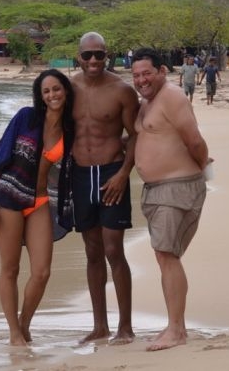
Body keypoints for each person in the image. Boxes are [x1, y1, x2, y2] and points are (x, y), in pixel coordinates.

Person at [0, 69, 75, 346]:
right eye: (46, 91)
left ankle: (24, 324)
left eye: (56, 89)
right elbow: (2, 152)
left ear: (65, 91)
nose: (52, 95)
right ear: (40, 95)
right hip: (9, 196)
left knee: (42, 272)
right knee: (10, 269)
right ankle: (14, 333)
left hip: (41, 201)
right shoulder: (25, 117)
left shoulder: (70, 130)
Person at [130, 48, 210, 352]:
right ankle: (175, 325)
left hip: (176, 187)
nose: (141, 80)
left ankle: (176, 330)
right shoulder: (147, 103)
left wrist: (201, 165)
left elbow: (194, 140)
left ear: (162, 71)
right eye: (136, 75)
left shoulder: (172, 96)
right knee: (166, 256)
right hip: (157, 190)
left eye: (147, 73)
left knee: (167, 255)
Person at [70, 31, 139, 345]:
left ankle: (125, 327)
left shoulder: (122, 91)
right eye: (88, 55)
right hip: (81, 175)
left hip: (112, 173)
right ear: (79, 56)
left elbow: (135, 134)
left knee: (114, 250)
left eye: (100, 54)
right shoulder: (68, 89)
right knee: (92, 251)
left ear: (107, 55)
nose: (94, 60)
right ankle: (100, 326)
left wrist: (124, 173)